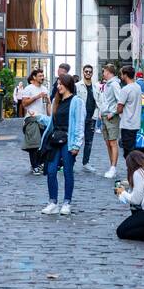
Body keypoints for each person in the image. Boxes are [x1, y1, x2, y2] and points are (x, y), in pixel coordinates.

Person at [38, 74, 85, 215]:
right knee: (51, 171)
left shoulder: (76, 101)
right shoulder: (55, 101)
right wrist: (38, 117)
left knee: (67, 172)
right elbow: (52, 121)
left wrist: (77, 144)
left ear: (68, 84)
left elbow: (79, 123)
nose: (58, 86)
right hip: (55, 140)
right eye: (57, 84)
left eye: (61, 84)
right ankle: (53, 202)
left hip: (68, 141)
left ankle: (67, 202)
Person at [18, 68, 50, 173]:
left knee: (44, 144)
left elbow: (47, 105)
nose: (42, 77)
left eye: (43, 75)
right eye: (40, 76)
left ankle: (40, 163)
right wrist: (37, 97)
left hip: (44, 119)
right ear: (34, 77)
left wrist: (50, 116)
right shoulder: (29, 88)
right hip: (32, 119)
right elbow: (24, 104)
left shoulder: (45, 89)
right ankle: (34, 166)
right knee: (34, 144)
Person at [98, 63, 123, 178]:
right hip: (104, 116)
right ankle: (112, 166)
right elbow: (104, 100)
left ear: (108, 72)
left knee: (113, 142)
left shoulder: (114, 85)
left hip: (111, 117)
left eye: (104, 72)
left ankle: (113, 168)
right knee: (108, 142)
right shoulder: (107, 84)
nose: (103, 74)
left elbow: (120, 101)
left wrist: (113, 113)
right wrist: (101, 112)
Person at [116, 65, 144, 158]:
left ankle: (133, 170)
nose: (121, 76)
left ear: (125, 75)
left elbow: (119, 109)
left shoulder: (125, 89)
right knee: (131, 149)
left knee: (128, 153)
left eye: (121, 74)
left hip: (127, 124)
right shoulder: (138, 87)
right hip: (135, 123)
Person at [79, 64, 99, 171]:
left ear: (92, 73)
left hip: (92, 118)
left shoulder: (96, 87)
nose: (88, 73)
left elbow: (99, 102)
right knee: (76, 140)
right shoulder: (78, 86)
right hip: (80, 118)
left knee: (89, 141)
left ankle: (86, 162)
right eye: (86, 71)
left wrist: (96, 114)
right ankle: (70, 162)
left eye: (90, 72)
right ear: (83, 72)